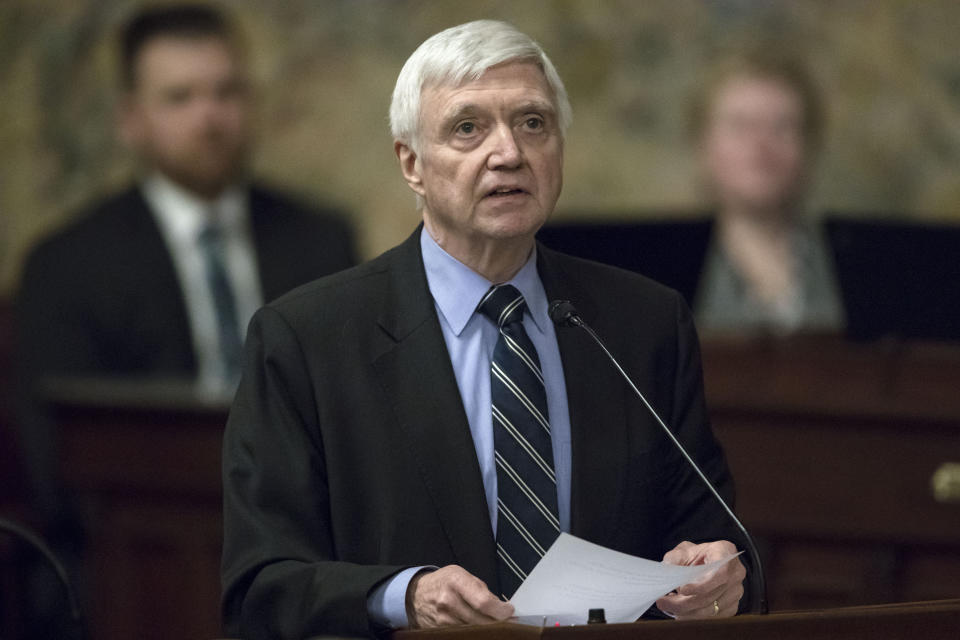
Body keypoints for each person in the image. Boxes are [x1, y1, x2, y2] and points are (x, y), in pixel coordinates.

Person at [221, 20, 748, 639]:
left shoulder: (644, 321)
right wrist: (405, 596)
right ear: (411, 163)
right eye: (468, 128)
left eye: (533, 123)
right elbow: (260, 587)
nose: (509, 152)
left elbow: (716, 536)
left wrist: (716, 573)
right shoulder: (307, 339)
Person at [11, 5, 355, 637]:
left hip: (309, 548)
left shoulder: (320, 242)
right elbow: (56, 461)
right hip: (141, 560)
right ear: (131, 120)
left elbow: (355, 416)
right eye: (180, 97)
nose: (210, 117)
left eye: (226, 92)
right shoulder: (69, 263)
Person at [690, 47, 845, 334]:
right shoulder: (668, 266)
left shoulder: (849, 264)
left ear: (809, 146)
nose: (761, 145)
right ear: (703, 144)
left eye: (782, 126)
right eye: (740, 125)